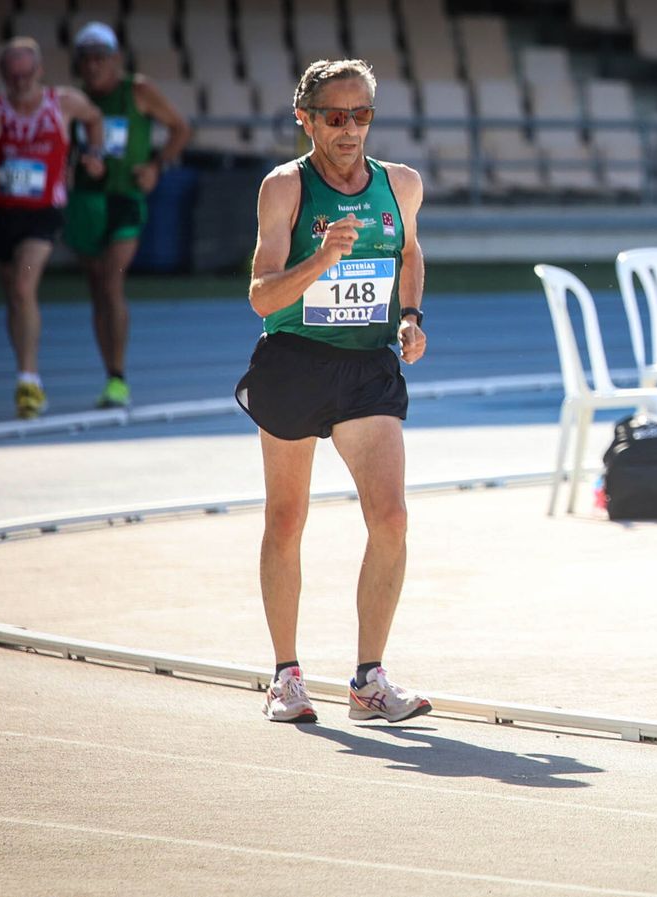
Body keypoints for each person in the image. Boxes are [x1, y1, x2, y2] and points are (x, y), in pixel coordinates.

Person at [234, 59, 431, 725]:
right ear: (307, 119)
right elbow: (262, 297)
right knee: (287, 519)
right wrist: (320, 261)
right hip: (294, 362)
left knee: (393, 518)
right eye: (336, 116)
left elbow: (409, 253)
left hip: (366, 369)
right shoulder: (285, 188)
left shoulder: (399, 185)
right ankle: (286, 675)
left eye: (363, 115)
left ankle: (368, 680)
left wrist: (410, 318)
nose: (350, 129)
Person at [0, 37, 104, 419]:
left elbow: (94, 119)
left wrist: (92, 154)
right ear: (4, 76)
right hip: (0, 212)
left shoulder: (63, 102)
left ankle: (29, 380)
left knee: (24, 288)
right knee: (14, 296)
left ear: (39, 71)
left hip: (43, 211)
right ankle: (25, 369)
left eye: (27, 74)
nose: (21, 82)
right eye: (13, 76)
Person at [65, 22, 192, 409]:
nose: (93, 67)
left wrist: (156, 165)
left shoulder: (137, 91)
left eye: (100, 59)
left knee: (111, 281)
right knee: (97, 289)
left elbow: (179, 128)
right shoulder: (73, 100)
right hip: (87, 200)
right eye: (86, 60)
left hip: (126, 199)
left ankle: (118, 376)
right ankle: (109, 372)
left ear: (116, 59)